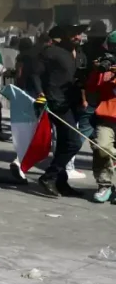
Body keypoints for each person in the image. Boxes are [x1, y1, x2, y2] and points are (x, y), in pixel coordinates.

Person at [37, 24, 89, 198]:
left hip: (72, 102)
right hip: (57, 102)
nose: (78, 37)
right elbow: (35, 74)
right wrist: (41, 94)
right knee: (74, 142)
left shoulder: (79, 53)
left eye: (79, 34)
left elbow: (80, 78)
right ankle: (49, 176)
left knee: (64, 142)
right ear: (65, 35)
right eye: (74, 33)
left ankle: (61, 182)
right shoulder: (50, 52)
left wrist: (83, 98)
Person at [86, 34, 116, 203]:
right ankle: (104, 184)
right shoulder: (105, 64)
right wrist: (98, 71)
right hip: (106, 116)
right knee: (102, 148)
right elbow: (91, 87)